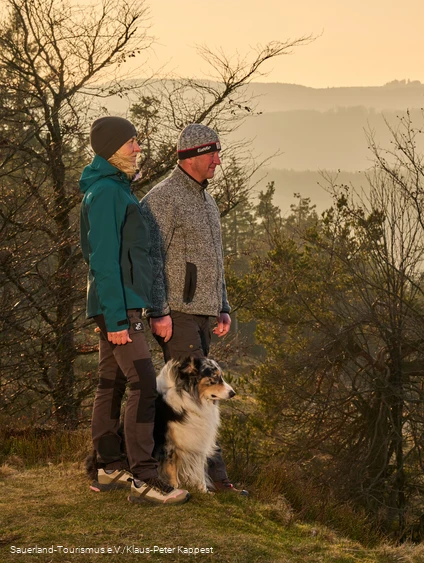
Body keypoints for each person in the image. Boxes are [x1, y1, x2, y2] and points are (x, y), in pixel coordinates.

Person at [80, 116, 190, 505]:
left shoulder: (111, 189)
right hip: (119, 306)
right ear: (112, 147)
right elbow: (104, 259)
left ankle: (110, 467)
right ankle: (144, 478)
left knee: (110, 384)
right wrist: (115, 316)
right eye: (132, 142)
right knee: (144, 385)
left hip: (118, 303)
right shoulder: (109, 193)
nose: (139, 147)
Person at [141, 123, 245, 494]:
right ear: (193, 156)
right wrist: (158, 310)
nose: (218, 160)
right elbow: (150, 259)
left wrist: (223, 305)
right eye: (213, 153)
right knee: (198, 394)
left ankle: (202, 479)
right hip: (177, 313)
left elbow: (215, 259)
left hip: (204, 312)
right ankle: (216, 481)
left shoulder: (207, 199)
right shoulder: (163, 198)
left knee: (203, 396)